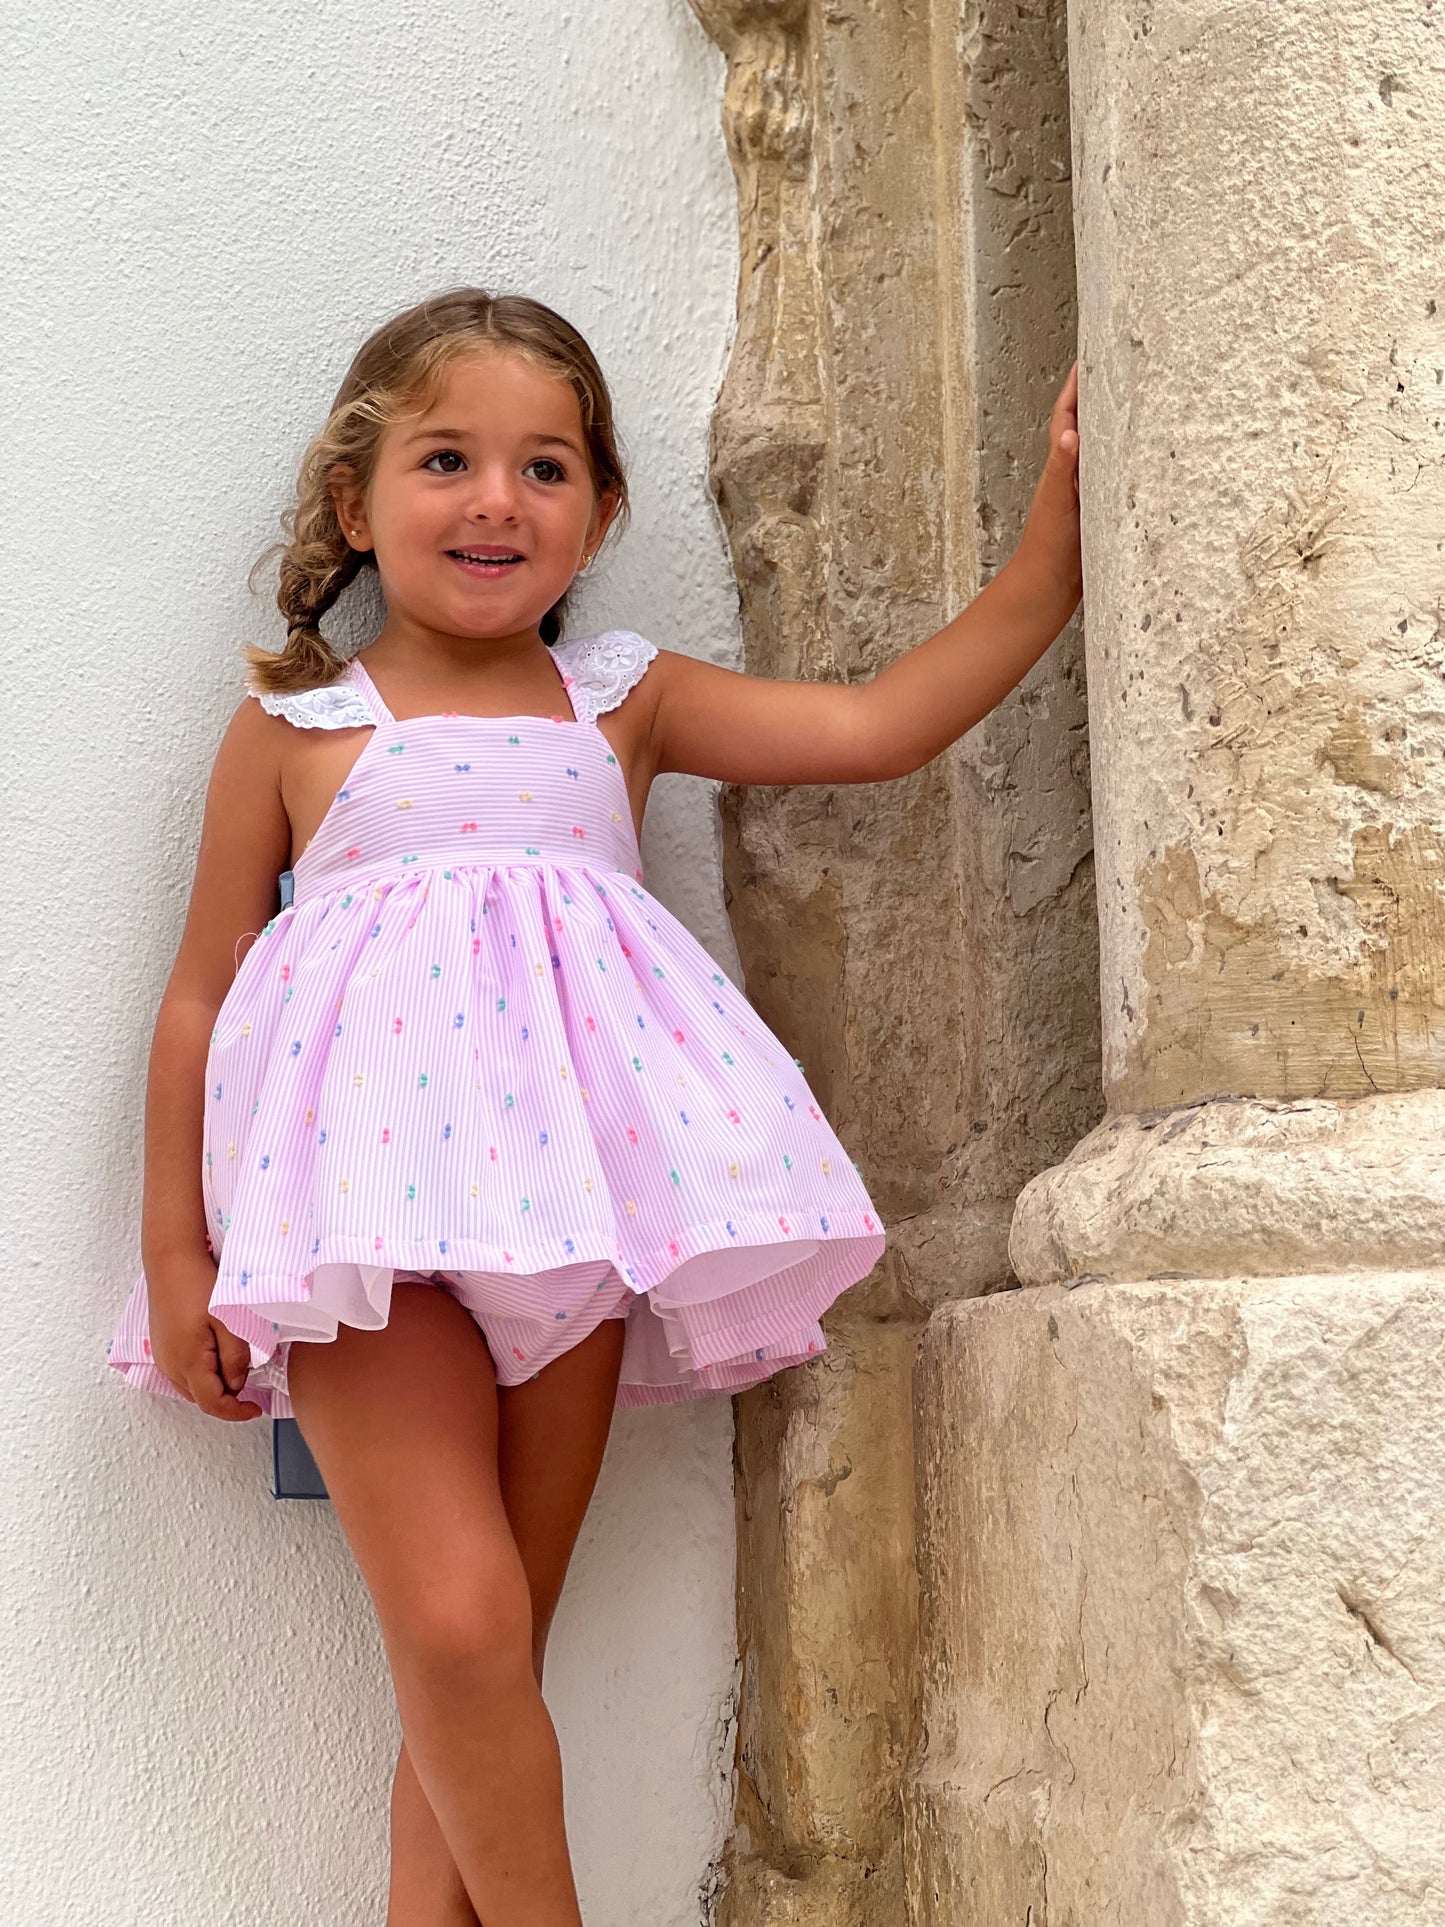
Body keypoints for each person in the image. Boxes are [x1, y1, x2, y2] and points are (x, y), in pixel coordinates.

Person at [106, 286, 1082, 1925]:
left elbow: (872, 727)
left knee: (487, 1668)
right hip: (364, 1221)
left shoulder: (618, 700)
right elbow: (203, 989)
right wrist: (176, 1254)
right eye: (446, 460)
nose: (498, 499)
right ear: (356, 503)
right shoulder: (294, 728)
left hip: (573, 1211)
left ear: (600, 511)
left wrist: (1056, 533)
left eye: (546, 467)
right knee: (462, 1628)